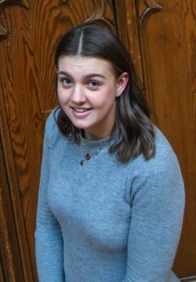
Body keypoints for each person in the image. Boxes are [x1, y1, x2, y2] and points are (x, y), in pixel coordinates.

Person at [35, 22, 185, 282]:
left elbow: (145, 278)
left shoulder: (153, 165)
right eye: (66, 81)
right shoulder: (57, 128)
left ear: (120, 83)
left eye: (92, 83)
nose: (76, 97)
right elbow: (47, 227)